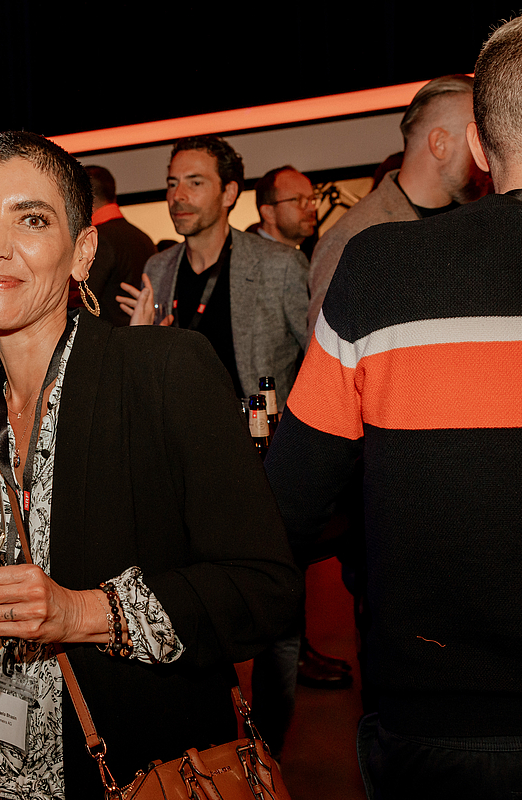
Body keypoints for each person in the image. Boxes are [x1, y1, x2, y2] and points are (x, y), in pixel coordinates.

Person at [0, 131, 300, 796]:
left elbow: (264, 590)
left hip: (138, 772)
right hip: (2, 775)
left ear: (83, 253)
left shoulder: (164, 372)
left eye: (31, 219)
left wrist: (79, 614)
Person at [265, 16, 522, 797]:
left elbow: (293, 498)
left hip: (439, 713)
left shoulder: (382, 269)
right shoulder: (369, 250)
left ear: (479, 147)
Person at [120, 135, 310, 401]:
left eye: (195, 182)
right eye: (172, 184)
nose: (177, 196)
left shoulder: (280, 265)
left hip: (254, 425)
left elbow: (320, 358)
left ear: (228, 194)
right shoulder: (158, 268)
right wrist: (143, 340)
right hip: (177, 421)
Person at [307, 75, 491, 335]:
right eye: (477, 139)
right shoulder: (353, 236)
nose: (486, 153)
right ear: (439, 144)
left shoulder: (475, 221)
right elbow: (325, 350)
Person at [82, 165, 156, 325]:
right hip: (140, 331)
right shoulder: (143, 238)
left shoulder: (96, 239)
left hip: (107, 336)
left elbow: (85, 301)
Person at [250, 166, 318, 252]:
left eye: (312, 199)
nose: (312, 208)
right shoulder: (248, 256)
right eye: (298, 200)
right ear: (269, 213)